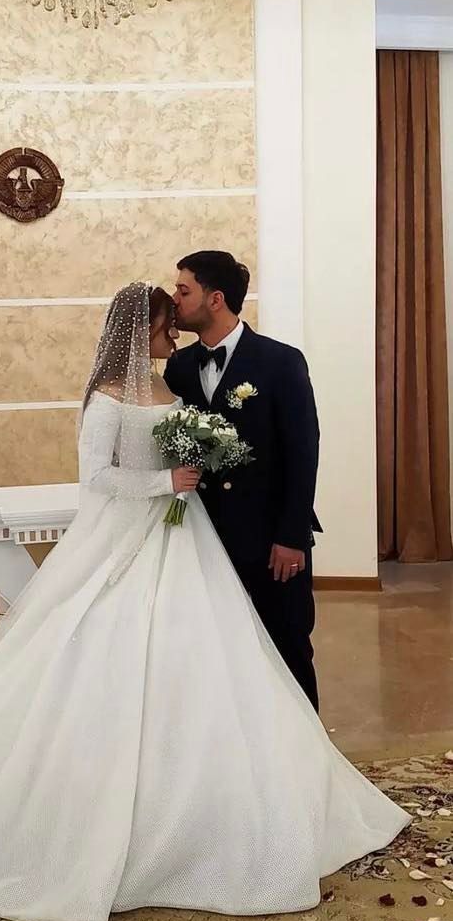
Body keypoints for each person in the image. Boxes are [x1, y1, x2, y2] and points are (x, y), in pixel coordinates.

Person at [0, 282, 408, 921]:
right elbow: (95, 477)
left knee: (215, 655)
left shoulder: (170, 382)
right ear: (141, 329)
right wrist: (162, 480)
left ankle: (239, 792)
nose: (174, 334)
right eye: (166, 325)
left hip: (185, 533)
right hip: (128, 535)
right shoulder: (107, 397)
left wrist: (197, 462)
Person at [165, 251, 321, 709]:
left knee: (288, 645)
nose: (175, 300)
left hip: (271, 539)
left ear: (215, 299)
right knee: (217, 652)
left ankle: (304, 746)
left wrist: (291, 536)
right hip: (205, 538)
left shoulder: (280, 361)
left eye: (183, 290)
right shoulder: (178, 366)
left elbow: (303, 452)